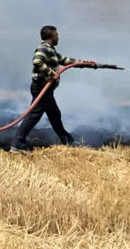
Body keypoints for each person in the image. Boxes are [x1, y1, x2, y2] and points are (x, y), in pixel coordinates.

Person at [11, 25, 97, 153]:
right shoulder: (43, 48)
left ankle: (68, 141)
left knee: (55, 115)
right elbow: (37, 62)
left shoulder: (51, 50)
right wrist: (52, 73)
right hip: (41, 89)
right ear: (51, 36)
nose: (58, 37)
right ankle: (17, 145)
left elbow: (65, 60)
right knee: (33, 116)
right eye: (57, 35)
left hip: (47, 90)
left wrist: (85, 63)